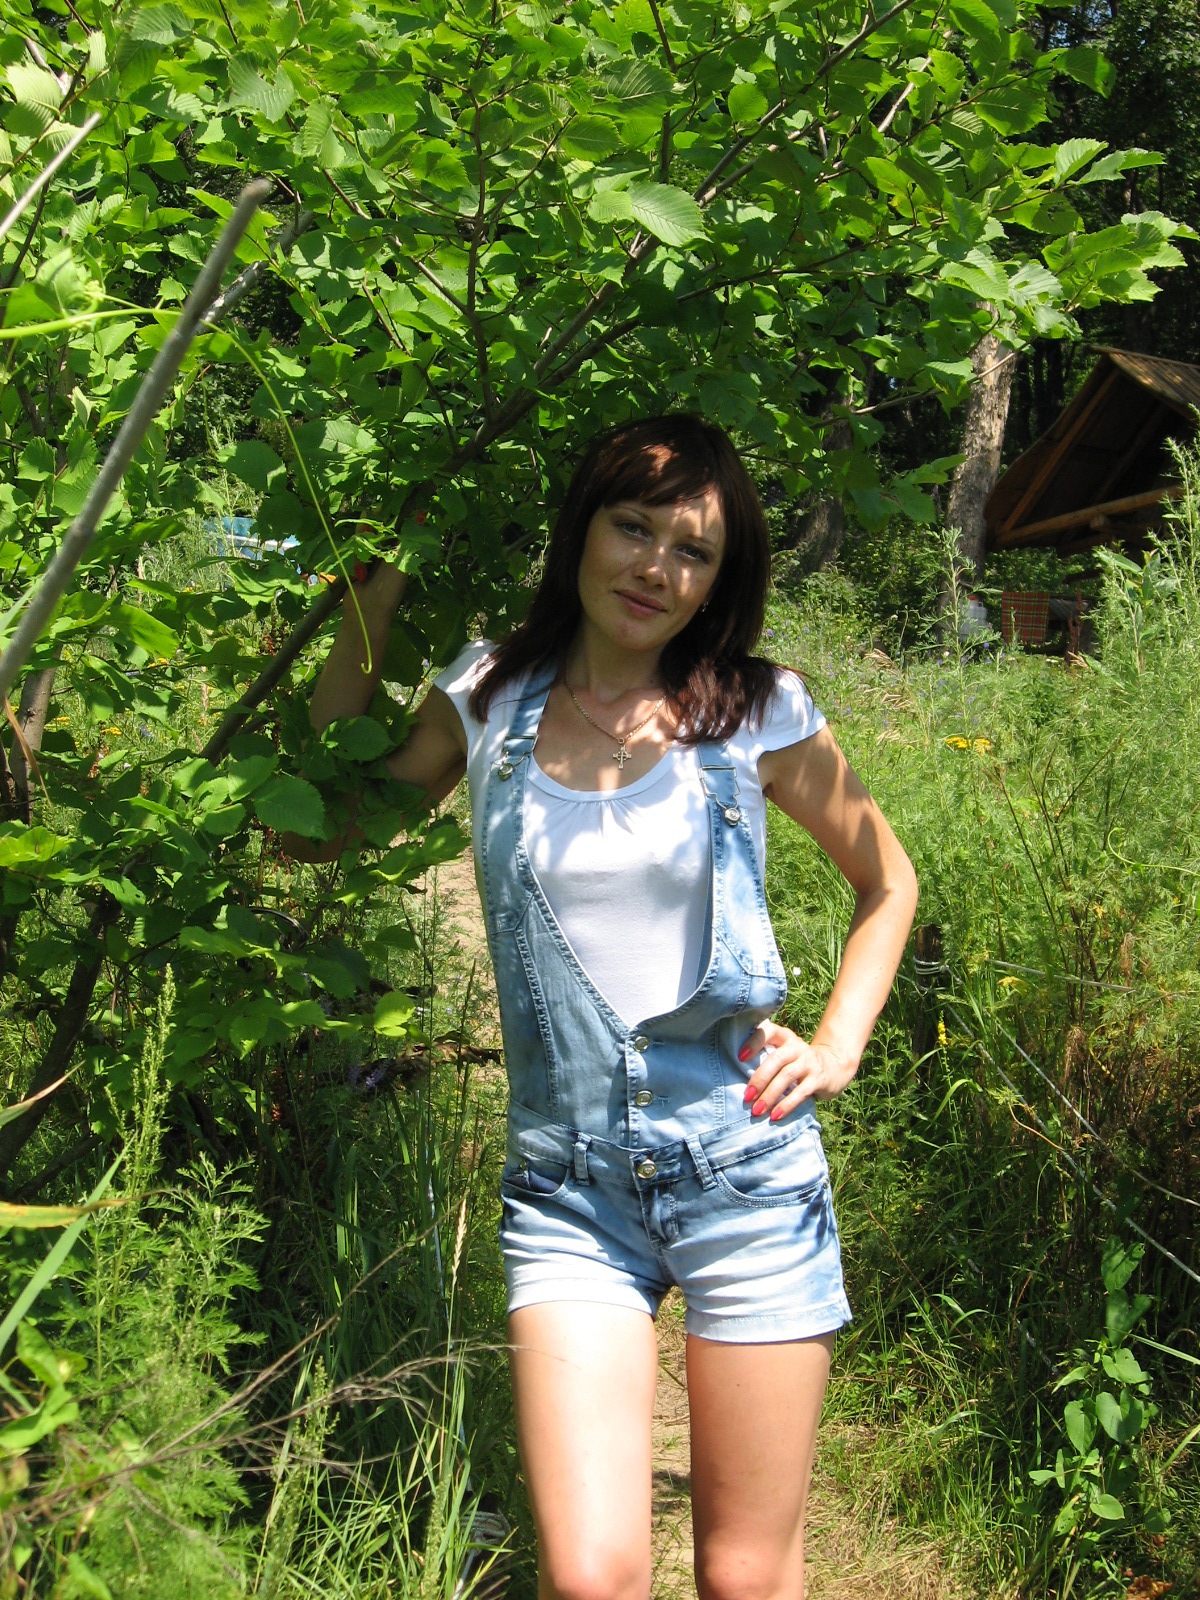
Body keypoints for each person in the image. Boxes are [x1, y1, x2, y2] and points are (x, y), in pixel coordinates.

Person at [291, 415, 918, 1600]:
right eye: (634, 527)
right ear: (581, 525)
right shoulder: (488, 692)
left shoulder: (759, 708)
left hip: (744, 1167)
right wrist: (376, 585)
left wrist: (839, 1043)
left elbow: (888, 881)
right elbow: (317, 826)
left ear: (720, 579)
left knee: (745, 1573)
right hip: (567, 1189)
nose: (656, 568)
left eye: (693, 550)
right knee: (591, 1576)